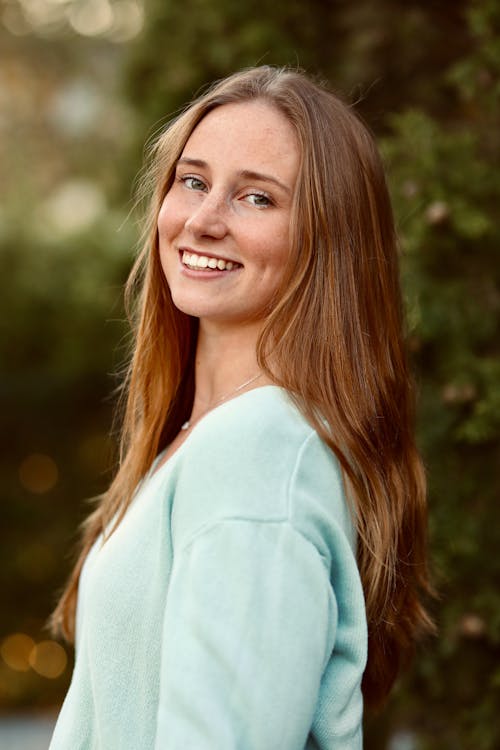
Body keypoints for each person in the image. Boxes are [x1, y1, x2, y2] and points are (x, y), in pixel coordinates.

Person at [49, 65, 433, 749]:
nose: (203, 219)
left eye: (257, 199)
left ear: (327, 238)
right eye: (192, 181)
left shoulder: (259, 457)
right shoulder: (203, 443)